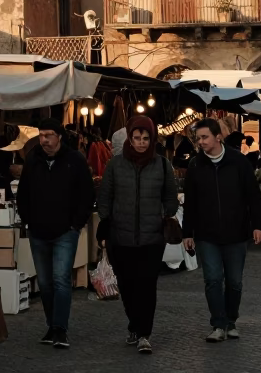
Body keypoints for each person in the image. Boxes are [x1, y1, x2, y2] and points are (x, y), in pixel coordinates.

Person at [96, 115, 178, 355]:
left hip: (152, 239)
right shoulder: (116, 164)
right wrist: (105, 220)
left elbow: (170, 196)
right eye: (136, 138)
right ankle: (134, 323)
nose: (141, 142)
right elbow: (105, 196)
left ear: (151, 139)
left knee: (146, 286)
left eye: (145, 138)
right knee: (128, 285)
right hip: (120, 237)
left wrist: (166, 212)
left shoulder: (162, 164)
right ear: (129, 139)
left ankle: (144, 333)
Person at [181, 118, 261, 342]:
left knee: (235, 281)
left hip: (236, 232)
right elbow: (190, 202)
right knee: (212, 279)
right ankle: (218, 324)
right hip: (206, 233)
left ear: (218, 136)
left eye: (205, 137)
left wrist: (259, 225)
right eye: (198, 138)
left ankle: (231, 321)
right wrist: (187, 232)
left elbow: (253, 196)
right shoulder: (196, 165)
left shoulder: (238, 162)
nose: (201, 142)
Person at [16, 118, 95, 350]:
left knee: (61, 279)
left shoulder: (75, 160)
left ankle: (60, 329)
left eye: (49, 135)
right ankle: (51, 325)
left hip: (65, 232)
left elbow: (87, 194)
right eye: (41, 135)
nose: (44, 139)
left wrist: (75, 224)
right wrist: (28, 219)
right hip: (38, 231)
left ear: (59, 136)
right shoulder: (33, 159)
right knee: (45, 282)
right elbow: (23, 193)